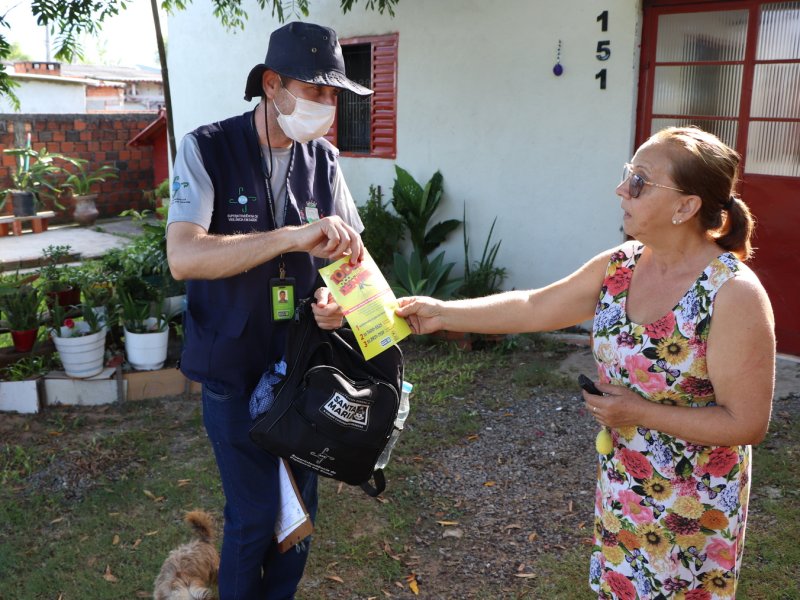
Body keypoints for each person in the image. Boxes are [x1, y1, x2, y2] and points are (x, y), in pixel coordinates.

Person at [396, 126, 775, 598]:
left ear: (685, 206)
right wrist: (442, 312)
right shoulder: (622, 265)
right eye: (627, 175)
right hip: (624, 490)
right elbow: (535, 306)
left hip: (694, 511)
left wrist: (639, 413)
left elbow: (747, 423)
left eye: (639, 181)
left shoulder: (733, 293)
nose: (621, 189)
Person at [166, 21, 370, 599]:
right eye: (316, 91)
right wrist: (288, 237)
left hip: (303, 371)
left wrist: (339, 302)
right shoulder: (207, 147)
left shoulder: (324, 162)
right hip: (231, 367)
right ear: (273, 84)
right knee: (255, 514)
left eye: (334, 95)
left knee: (297, 519)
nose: (327, 106)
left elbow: (352, 261)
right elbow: (183, 256)